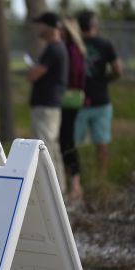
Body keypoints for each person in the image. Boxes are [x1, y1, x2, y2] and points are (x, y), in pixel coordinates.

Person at [75, 11, 122, 177]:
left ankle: (74, 178)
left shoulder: (74, 43)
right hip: (101, 100)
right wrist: (104, 80)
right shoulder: (104, 44)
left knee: (72, 144)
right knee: (101, 144)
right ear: (94, 25)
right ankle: (101, 177)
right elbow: (118, 70)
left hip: (78, 100)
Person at [28, 12, 68, 192]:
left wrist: (32, 71)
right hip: (50, 105)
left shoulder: (53, 49)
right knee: (52, 146)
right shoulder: (57, 48)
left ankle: (52, 190)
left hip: (46, 106)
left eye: (41, 24)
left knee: (44, 148)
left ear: (50, 27)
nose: (39, 28)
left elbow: (35, 74)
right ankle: (59, 188)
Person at [59, 17, 86, 201]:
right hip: (68, 99)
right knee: (64, 141)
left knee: (67, 141)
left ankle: (75, 185)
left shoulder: (72, 51)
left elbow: (74, 76)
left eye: (61, 28)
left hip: (70, 99)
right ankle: (72, 183)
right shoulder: (68, 49)